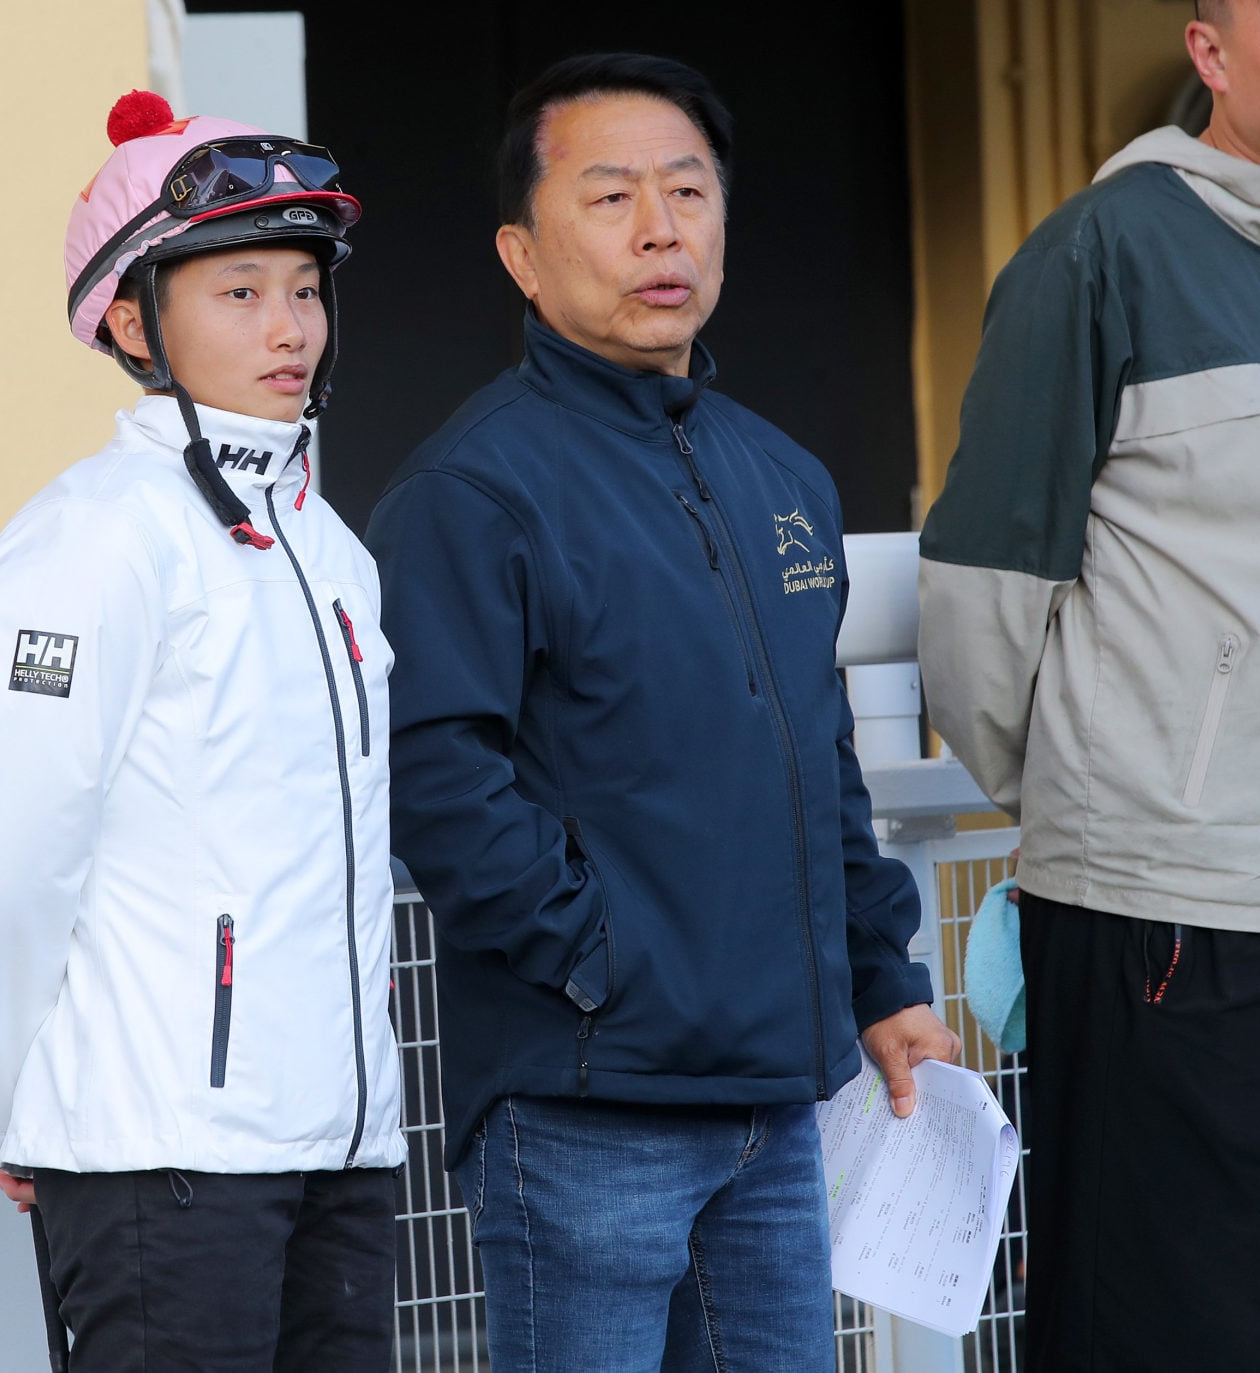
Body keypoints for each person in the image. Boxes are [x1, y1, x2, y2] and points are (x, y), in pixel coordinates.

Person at [365, 53, 958, 1372]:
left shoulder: (777, 473)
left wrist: (879, 979)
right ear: (522, 254)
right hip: (590, 1095)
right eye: (613, 196)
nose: (660, 230)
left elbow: (822, 761)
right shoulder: (471, 490)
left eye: (689, 192)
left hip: (773, 1092)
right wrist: (601, 958)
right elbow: (434, 774)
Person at [917, 2, 1260, 1368]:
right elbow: (983, 593)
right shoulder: (1101, 251)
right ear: (1210, 53)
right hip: (1180, 910)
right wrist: (1121, 800)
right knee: (1166, 1331)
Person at [0, 90, 404, 1372]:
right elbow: (6, 854)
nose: (290, 325)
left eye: (304, 287)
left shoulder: (329, 545)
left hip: (339, 1148)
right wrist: (15, 1097)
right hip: (161, 1154)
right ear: (133, 317)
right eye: (237, 291)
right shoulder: (93, 533)